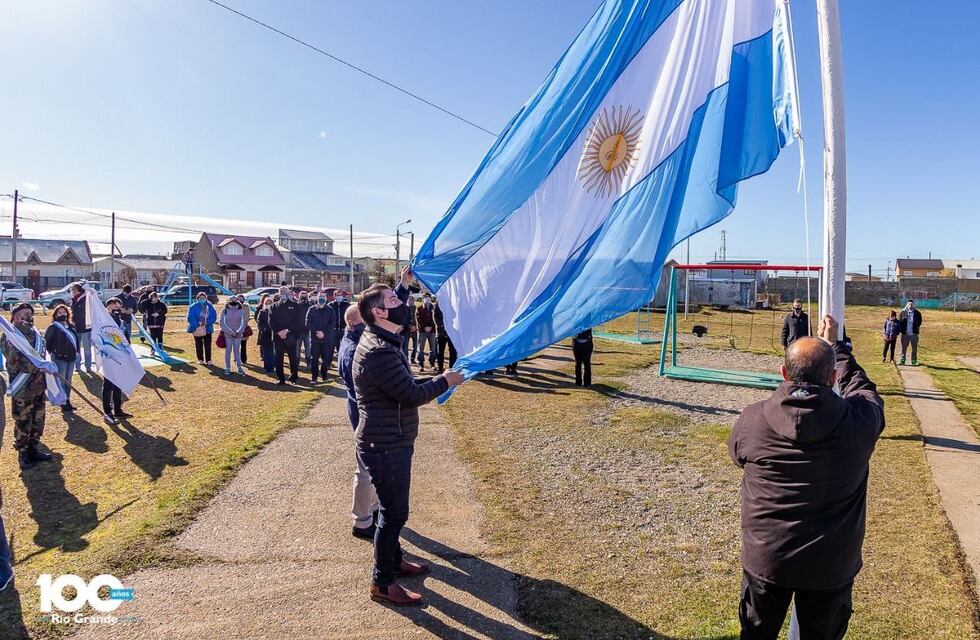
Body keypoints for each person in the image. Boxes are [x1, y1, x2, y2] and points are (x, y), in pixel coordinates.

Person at [728, 316, 884, 640]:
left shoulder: (752, 419)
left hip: (767, 557)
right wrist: (838, 346)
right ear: (833, 377)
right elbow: (865, 391)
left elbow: (737, 456)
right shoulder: (858, 422)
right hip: (830, 564)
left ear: (784, 373)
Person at [352, 284, 463, 606]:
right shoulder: (379, 350)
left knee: (391, 511)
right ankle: (382, 582)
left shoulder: (384, 340)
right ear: (379, 312)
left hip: (390, 439)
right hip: (385, 444)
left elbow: (404, 384)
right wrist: (445, 381)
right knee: (394, 513)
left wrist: (439, 378)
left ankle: (394, 560)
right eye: (393, 300)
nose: (403, 303)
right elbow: (411, 395)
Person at [337, 304, 378, 539]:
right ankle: (362, 521)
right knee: (365, 470)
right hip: (365, 416)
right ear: (354, 323)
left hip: (364, 413)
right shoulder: (354, 350)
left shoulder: (353, 340)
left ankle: (373, 508)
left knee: (373, 469)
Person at [3, 303, 55, 470]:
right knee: (23, 421)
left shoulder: (36, 334)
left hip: (38, 386)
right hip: (23, 388)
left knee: (38, 420)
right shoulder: (10, 336)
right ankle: (23, 454)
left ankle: (33, 448)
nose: (28, 317)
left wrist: (47, 364)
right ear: (15, 317)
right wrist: (39, 366)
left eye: (30, 314)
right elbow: (14, 363)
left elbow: (43, 355)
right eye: (24, 314)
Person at [101, 298, 133, 423]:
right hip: (109, 357)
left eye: (119, 306)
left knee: (118, 384)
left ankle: (118, 409)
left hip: (121, 356)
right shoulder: (104, 321)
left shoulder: (121, 321)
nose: (117, 308)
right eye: (115, 305)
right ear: (108, 306)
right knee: (108, 385)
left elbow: (126, 338)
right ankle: (107, 412)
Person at [44, 304, 78, 412]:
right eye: (60, 313)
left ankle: (67, 400)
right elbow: (47, 341)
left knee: (68, 380)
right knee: (61, 380)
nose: (62, 314)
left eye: (64, 312)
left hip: (71, 357)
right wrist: (53, 352)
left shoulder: (71, 326)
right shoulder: (53, 327)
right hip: (59, 358)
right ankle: (63, 402)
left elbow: (75, 340)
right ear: (55, 315)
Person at [269, 286, 303, 384]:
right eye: (281, 291)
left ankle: (293, 378)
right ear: (278, 294)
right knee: (278, 358)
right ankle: (280, 378)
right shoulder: (273, 306)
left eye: (285, 291)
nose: (283, 293)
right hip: (278, 336)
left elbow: (297, 321)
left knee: (293, 358)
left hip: (291, 336)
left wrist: (287, 330)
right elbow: (271, 321)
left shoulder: (295, 305)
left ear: (288, 293)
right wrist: (279, 332)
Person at [305, 293, 336, 383]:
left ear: (326, 298)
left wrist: (324, 333)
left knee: (325, 359)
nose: (322, 298)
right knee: (314, 359)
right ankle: (314, 378)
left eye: (323, 296)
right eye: (320, 297)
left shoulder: (330, 310)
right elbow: (307, 322)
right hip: (315, 339)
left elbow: (332, 323)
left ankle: (324, 377)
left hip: (326, 339)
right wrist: (316, 332)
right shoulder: (311, 309)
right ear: (317, 298)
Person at [186, 292, 217, 365]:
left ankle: (208, 360)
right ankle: (200, 359)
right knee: (198, 344)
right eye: (200, 298)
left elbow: (214, 316)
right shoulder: (193, 307)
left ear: (206, 298)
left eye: (203, 298)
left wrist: (206, 322)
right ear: (197, 299)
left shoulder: (210, 306)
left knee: (208, 345)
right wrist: (197, 323)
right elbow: (190, 317)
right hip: (197, 328)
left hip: (208, 328)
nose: (202, 299)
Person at [219, 297, 247, 376]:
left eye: (235, 300)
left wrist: (238, 332)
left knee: (237, 351)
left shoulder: (241, 310)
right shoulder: (224, 310)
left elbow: (244, 322)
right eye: (232, 300)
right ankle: (227, 367)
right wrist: (230, 332)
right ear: (228, 301)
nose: (233, 301)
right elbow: (222, 323)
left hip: (238, 335)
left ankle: (239, 367)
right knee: (228, 351)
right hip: (228, 335)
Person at [69, 283, 93, 373]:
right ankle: (78, 366)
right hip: (76, 327)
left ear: (78, 290)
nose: (72, 292)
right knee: (77, 348)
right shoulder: (74, 300)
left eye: (74, 290)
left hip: (85, 327)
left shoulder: (85, 298)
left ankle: (88, 366)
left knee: (87, 348)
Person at [433, 297, 457, 373]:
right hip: (441, 332)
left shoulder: (452, 303)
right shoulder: (438, 303)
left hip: (451, 332)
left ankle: (451, 369)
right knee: (440, 352)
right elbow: (435, 317)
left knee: (453, 351)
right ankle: (440, 369)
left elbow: (455, 315)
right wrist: (443, 326)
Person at [415, 294, 437, 371]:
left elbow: (436, 318)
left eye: (428, 297)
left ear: (430, 298)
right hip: (422, 331)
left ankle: (432, 364)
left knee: (433, 349)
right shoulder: (419, 308)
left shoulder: (434, 307)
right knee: (420, 349)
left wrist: (431, 327)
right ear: (422, 299)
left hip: (432, 331)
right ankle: (421, 364)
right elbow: (418, 319)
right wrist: (424, 327)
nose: (427, 299)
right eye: (425, 297)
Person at [328, 292, 351, 367]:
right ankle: (328, 364)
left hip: (343, 330)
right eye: (337, 295)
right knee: (330, 348)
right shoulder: (330, 305)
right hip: (333, 330)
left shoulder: (347, 305)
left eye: (340, 295)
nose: (339, 296)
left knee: (343, 349)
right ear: (334, 296)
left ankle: (342, 365)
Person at [898, 299, 923, 366]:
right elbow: (900, 321)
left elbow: (919, 322)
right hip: (905, 334)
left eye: (911, 304)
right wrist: (902, 330)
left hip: (914, 334)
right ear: (907, 305)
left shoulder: (917, 313)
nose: (910, 305)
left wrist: (915, 328)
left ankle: (913, 361)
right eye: (909, 304)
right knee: (903, 348)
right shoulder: (902, 312)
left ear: (913, 305)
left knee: (914, 348)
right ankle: (902, 360)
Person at [255, 294, 276, 374]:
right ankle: (266, 367)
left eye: (270, 303)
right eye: (267, 303)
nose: (268, 304)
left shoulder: (275, 311)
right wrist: (264, 328)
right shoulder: (262, 312)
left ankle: (272, 367)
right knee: (265, 352)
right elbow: (259, 322)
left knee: (272, 352)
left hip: (273, 334)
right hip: (265, 334)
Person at [295, 291, 313, 371]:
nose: (303, 299)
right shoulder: (296, 306)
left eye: (305, 297)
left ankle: (309, 363)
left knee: (308, 348)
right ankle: (296, 363)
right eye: (302, 297)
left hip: (308, 331)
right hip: (298, 331)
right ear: (299, 297)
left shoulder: (310, 306)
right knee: (297, 348)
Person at [237, 294, 251, 365]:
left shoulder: (246, 306)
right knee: (236, 345)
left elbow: (247, 317)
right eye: (239, 299)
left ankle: (243, 359)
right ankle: (236, 358)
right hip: (235, 328)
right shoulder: (234, 306)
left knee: (243, 345)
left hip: (244, 328)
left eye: (242, 299)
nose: (240, 300)